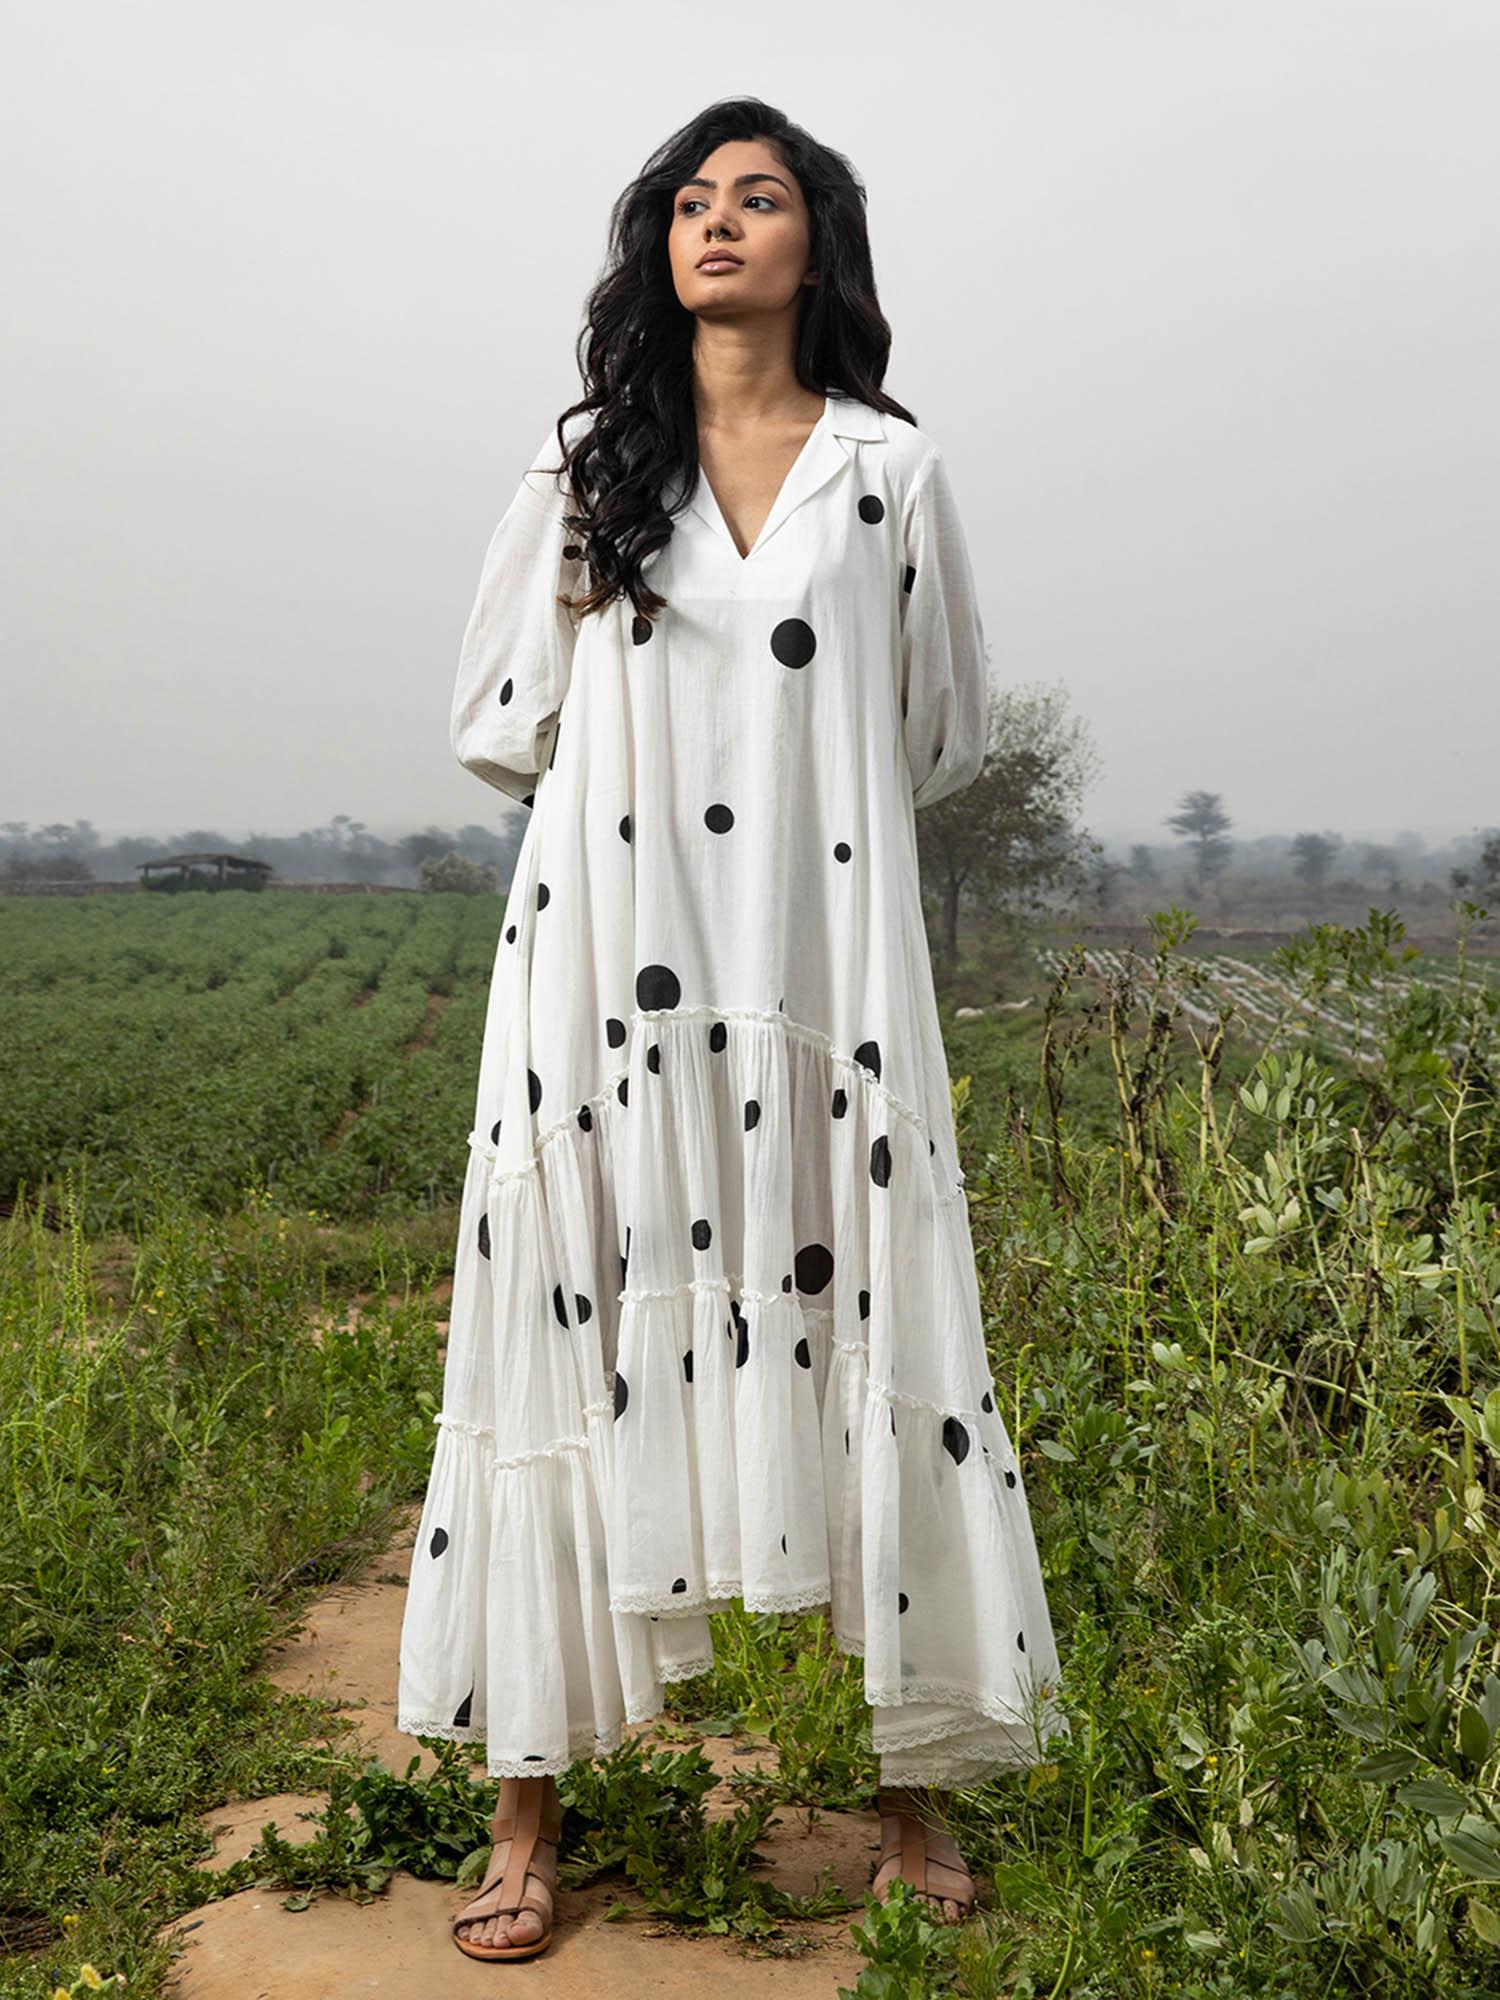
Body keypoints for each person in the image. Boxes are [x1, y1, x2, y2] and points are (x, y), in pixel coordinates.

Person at [396, 95, 1066, 1963]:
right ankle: (527, 1817)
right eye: (690, 201)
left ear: (814, 245)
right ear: (657, 248)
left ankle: (911, 1793)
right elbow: (495, 715)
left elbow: (939, 729)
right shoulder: (583, 475)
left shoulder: (890, 474)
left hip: (820, 970)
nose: (717, 225)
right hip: (608, 968)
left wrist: (786, 809)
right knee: (569, 1320)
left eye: (756, 199)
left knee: (871, 1295)